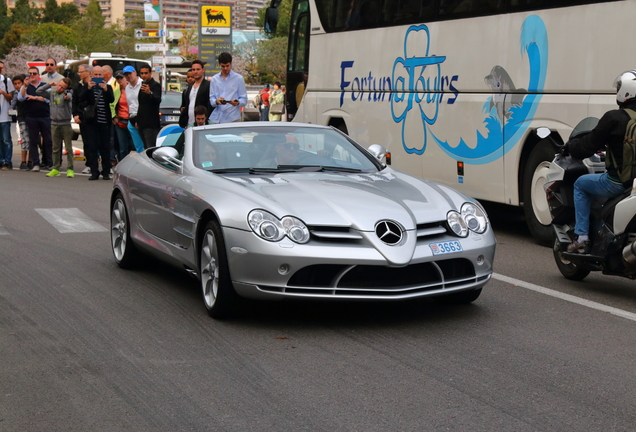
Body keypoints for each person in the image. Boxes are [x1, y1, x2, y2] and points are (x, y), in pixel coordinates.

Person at [564, 70, 636, 253]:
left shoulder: (614, 118)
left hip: (619, 183)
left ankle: (581, 237)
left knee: (580, 184)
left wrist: (571, 147)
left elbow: (587, 146)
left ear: (626, 92)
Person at [79, 65, 114, 180]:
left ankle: (105, 171)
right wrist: (88, 88)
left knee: (105, 147)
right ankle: (94, 171)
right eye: (96, 75)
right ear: (92, 75)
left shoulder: (108, 87)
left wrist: (105, 89)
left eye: (100, 75)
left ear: (103, 75)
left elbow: (111, 100)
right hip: (91, 122)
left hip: (105, 122)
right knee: (92, 147)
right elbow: (81, 99)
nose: (98, 77)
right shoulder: (86, 86)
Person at [37, 78, 74, 178]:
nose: (60, 88)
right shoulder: (52, 93)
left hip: (65, 123)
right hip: (54, 123)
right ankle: (56, 168)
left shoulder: (68, 93)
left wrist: (67, 95)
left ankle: (70, 168)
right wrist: (49, 85)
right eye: (59, 85)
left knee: (68, 148)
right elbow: (39, 91)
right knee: (55, 148)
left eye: (63, 87)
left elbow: (69, 96)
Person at [18, 66, 52, 172]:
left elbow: (48, 99)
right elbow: (21, 97)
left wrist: (35, 98)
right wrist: (25, 85)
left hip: (45, 116)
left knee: (47, 140)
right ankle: (35, 163)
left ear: (38, 75)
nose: (32, 75)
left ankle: (49, 162)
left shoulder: (44, 86)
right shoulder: (26, 87)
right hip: (31, 117)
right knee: (33, 141)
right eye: (29, 74)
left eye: (34, 73)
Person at [208, 52, 247, 124]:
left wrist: (237, 102)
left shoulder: (239, 78)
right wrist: (217, 101)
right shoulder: (214, 79)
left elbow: (244, 99)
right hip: (217, 118)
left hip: (233, 118)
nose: (225, 68)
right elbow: (211, 99)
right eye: (223, 66)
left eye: (227, 66)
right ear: (219, 64)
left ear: (231, 64)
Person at [72, 64, 92, 174]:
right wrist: (75, 115)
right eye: (78, 72)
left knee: (99, 142)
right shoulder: (77, 86)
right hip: (83, 117)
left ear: (88, 72)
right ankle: (89, 164)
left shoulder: (94, 84)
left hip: (95, 117)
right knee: (86, 142)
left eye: (81, 72)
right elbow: (75, 102)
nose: (79, 74)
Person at [179, 59, 211, 128]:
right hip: (189, 124)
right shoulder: (189, 87)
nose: (195, 72)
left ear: (203, 70)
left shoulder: (208, 85)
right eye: (193, 70)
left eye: (198, 69)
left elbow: (210, 105)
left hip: (202, 125)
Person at [136, 64, 162, 149]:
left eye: (146, 73)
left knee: (150, 148)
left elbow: (157, 100)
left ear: (150, 73)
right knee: (145, 147)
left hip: (151, 124)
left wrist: (150, 93)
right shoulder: (142, 85)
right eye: (142, 73)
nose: (143, 75)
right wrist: (137, 120)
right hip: (142, 123)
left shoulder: (155, 85)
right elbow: (141, 104)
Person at [123, 65, 144, 153]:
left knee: (144, 144)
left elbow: (142, 104)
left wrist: (138, 119)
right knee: (138, 146)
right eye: (126, 74)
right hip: (131, 118)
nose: (128, 76)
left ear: (135, 72)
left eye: (130, 73)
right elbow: (130, 104)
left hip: (141, 117)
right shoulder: (127, 87)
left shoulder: (142, 84)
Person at [11, 75, 31, 170]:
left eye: (19, 83)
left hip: (32, 117)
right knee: (24, 140)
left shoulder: (30, 90)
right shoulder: (16, 93)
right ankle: (23, 161)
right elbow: (14, 102)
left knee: (32, 140)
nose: (17, 85)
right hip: (22, 117)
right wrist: (11, 108)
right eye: (15, 84)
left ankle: (30, 160)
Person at [113, 70, 134, 160]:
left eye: (121, 77)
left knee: (133, 146)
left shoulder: (132, 90)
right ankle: (122, 165)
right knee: (122, 148)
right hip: (120, 122)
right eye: (117, 78)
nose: (119, 80)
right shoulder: (116, 91)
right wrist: (114, 117)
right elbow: (112, 105)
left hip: (132, 121)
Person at [103, 65, 121, 167]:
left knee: (112, 140)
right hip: (105, 116)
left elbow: (114, 101)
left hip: (112, 116)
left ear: (108, 74)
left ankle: (112, 159)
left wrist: (114, 116)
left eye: (102, 73)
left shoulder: (114, 84)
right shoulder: (104, 84)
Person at [0, 61, 14, 170]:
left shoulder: (6, 80)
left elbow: (10, 97)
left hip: (4, 115)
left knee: (6, 140)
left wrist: (3, 92)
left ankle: (7, 162)